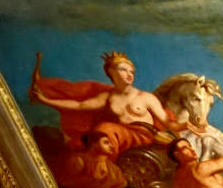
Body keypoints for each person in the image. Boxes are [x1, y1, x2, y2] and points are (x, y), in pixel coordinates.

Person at [29, 50, 192, 156]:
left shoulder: (145, 97)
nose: (129, 74)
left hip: (144, 136)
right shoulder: (108, 97)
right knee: (100, 134)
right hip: (120, 137)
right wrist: (46, 100)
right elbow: (80, 106)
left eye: (131, 71)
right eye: (124, 70)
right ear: (111, 72)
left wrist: (187, 125)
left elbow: (167, 122)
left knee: (105, 129)